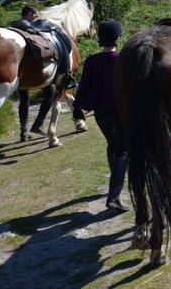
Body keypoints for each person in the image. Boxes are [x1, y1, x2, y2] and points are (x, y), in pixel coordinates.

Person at [72, 19, 130, 212]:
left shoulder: (91, 60)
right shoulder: (122, 59)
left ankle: (114, 184)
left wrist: (76, 108)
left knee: (112, 146)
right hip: (121, 112)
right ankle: (114, 195)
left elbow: (83, 87)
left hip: (100, 114)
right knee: (123, 151)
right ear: (117, 38)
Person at [14, 5, 56, 142]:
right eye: (36, 16)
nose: (37, 18)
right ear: (29, 14)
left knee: (24, 100)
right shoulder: (29, 29)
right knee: (51, 92)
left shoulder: (15, 26)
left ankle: (24, 131)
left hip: (18, 69)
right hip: (33, 69)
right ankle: (38, 124)